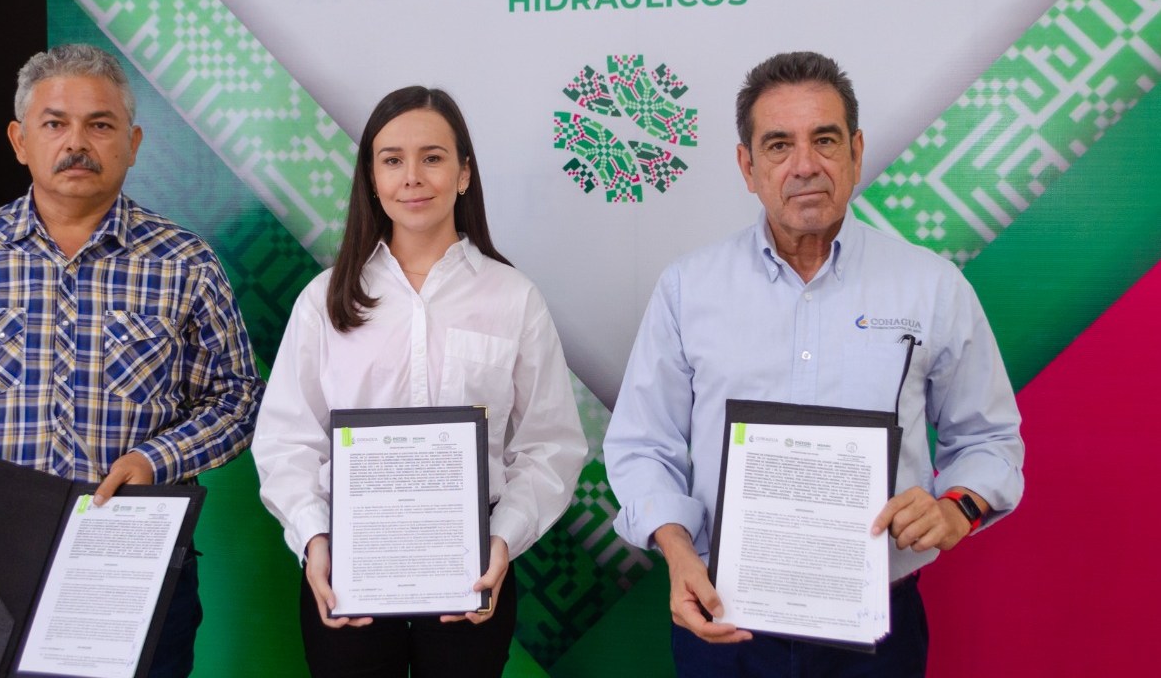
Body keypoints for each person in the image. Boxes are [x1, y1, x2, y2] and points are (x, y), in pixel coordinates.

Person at [0, 44, 261, 678]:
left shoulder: (186, 263)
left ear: (133, 143)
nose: (77, 143)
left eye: (100, 124)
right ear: (20, 140)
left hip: (130, 564)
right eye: (55, 123)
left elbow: (237, 398)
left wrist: (156, 460)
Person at [603, 51, 1025, 677]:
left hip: (878, 632)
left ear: (856, 152)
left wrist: (953, 509)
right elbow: (643, 445)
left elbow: (990, 439)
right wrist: (676, 548)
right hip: (723, 621)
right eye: (779, 145)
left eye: (824, 140)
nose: (805, 165)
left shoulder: (931, 287)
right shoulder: (688, 289)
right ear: (747, 166)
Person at [253, 86, 587, 678]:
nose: (412, 177)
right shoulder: (324, 300)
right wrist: (313, 539)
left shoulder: (513, 298)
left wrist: (502, 540)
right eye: (392, 160)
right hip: (347, 563)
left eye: (432, 157)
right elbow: (286, 441)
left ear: (464, 174)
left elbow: (550, 445)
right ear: (372, 178)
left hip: (473, 564)